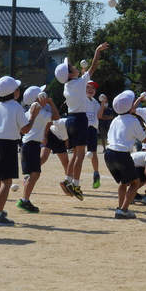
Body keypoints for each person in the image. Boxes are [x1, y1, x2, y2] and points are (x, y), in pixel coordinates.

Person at [53, 43, 109, 200]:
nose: (74, 66)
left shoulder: (68, 86)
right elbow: (94, 66)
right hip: (80, 119)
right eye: (71, 67)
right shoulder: (80, 82)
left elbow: (82, 79)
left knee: (76, 154)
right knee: (80, 155)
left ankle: (68, 180)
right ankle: (76, 185)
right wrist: (97, 51)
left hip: (70, 119)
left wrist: (82, 76)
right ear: (71, 74)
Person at [0, 76, 36, 226]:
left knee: (0, 179)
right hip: (8, 146)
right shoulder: (17, 107)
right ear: (15, 92)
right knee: (7, 181)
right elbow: (25, 129)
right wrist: (33, 116)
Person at [104, 90, 146, 219]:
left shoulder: (115, 120)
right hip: (122, 155)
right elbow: (145, 140)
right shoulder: (133, 121)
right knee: (135, 182)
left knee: (123, 182)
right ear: (131, 107)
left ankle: (120, 208)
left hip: (108, 154)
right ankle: (124, 210)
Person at [18, 86, 59, 213]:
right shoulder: (40, 113)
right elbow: (57, 117)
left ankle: (25, 200)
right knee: (35, 174)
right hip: (31, 146)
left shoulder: (29, 112)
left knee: (33, 174)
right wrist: (51, 103)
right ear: (38, 98)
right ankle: (24, 200)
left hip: (29, 145)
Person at [85, 81, 105, 189]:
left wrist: (102, 104)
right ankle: (72, 177)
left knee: (93, 152)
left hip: (92, 128)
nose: (91, 89)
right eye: (88, 87)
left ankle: (96, 174)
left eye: (93, 88)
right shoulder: (81, 99)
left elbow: (99, 115)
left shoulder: (95, 102)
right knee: (77, 152)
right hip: (81, 128)